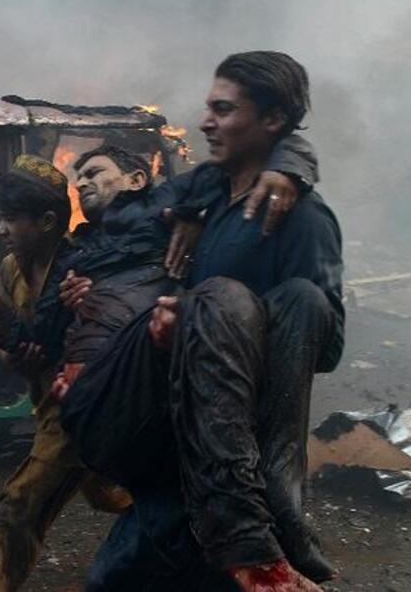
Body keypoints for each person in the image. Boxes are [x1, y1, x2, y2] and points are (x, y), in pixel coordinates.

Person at [58, 51, 342, 591]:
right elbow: (130, 231)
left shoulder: (302, 218)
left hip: (237, 460)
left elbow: (323, 343)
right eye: (208, 107)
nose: (206, 121)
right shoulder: (205, 204)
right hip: (177, 445)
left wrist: (208, 319)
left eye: (223, 109)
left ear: (273, 123)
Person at [0, 154, 132, 592]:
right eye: (0, 218)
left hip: (80, 408)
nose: (0, 230)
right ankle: (171, 517)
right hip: (45, 401)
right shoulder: (11, 267)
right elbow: (14, 340)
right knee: (110, 492)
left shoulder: (79, 269)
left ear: (48, 221)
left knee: (21, 502)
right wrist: (8, 342)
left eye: (11, 219)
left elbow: (40, 336)